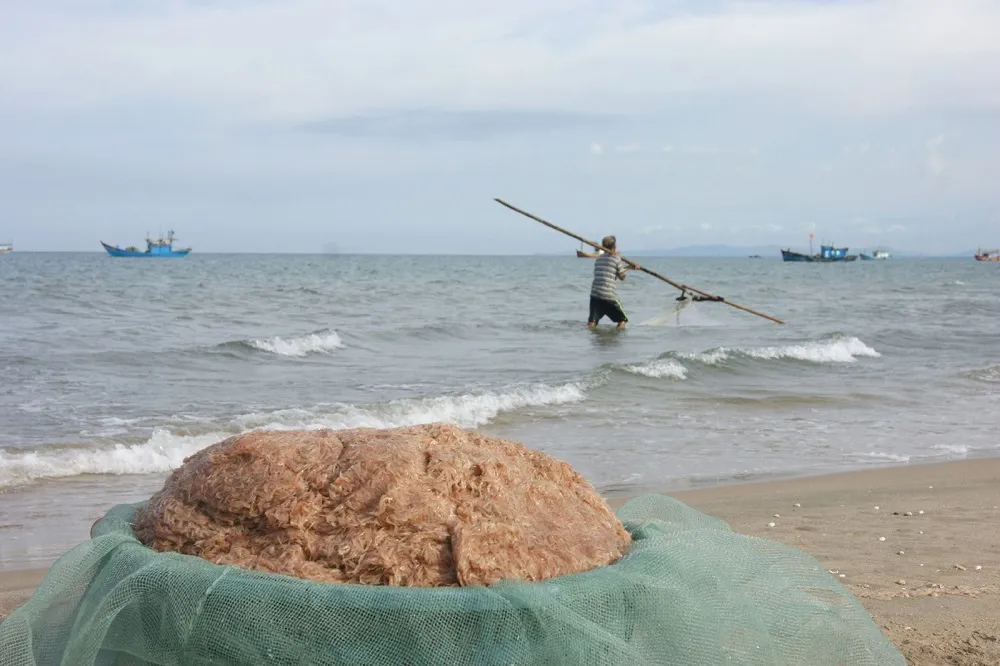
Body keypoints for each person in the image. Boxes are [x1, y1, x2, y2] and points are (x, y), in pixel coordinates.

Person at [587, 235, 632, 329]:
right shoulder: (616, 259)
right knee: (623, 319)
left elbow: (610, 272)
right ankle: (618, 337)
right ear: (614, 247)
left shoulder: (599, 259)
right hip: (608, 296)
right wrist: (619, 259)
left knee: (592, 322)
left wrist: (629, 267)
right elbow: (622, 277)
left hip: (595, 294)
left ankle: (588, 338)